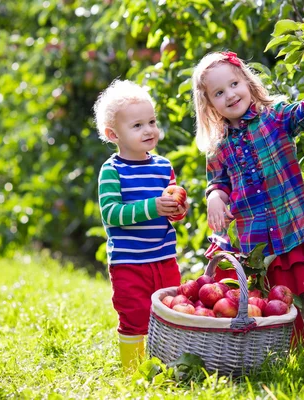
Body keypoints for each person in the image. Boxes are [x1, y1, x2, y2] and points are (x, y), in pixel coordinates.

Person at [192, 50, 304, 345]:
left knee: (281, 300)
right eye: (219, 93)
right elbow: (218, 183)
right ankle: (247, 351)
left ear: (247, 81)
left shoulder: (275, 117)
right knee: (246, 300)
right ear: (209, 104)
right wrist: (214, 198)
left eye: (234, 84)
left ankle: (291, 350)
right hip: (246, 237)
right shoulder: (219, 146)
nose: (230, 95)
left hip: (282, 229)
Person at [93, 79, 188, 373]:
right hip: (129, 262)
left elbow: (170, 208)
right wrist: (153, 207)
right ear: (113, 134)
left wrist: (177, 209)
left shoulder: (162, 166)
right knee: (134, 315)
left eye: (152, 122)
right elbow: (111, 213)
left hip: (164, 258)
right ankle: (133, 372)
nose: (149, 130)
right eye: (137, 126)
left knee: (171, 312)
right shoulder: (112, 171)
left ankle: (169, 366)